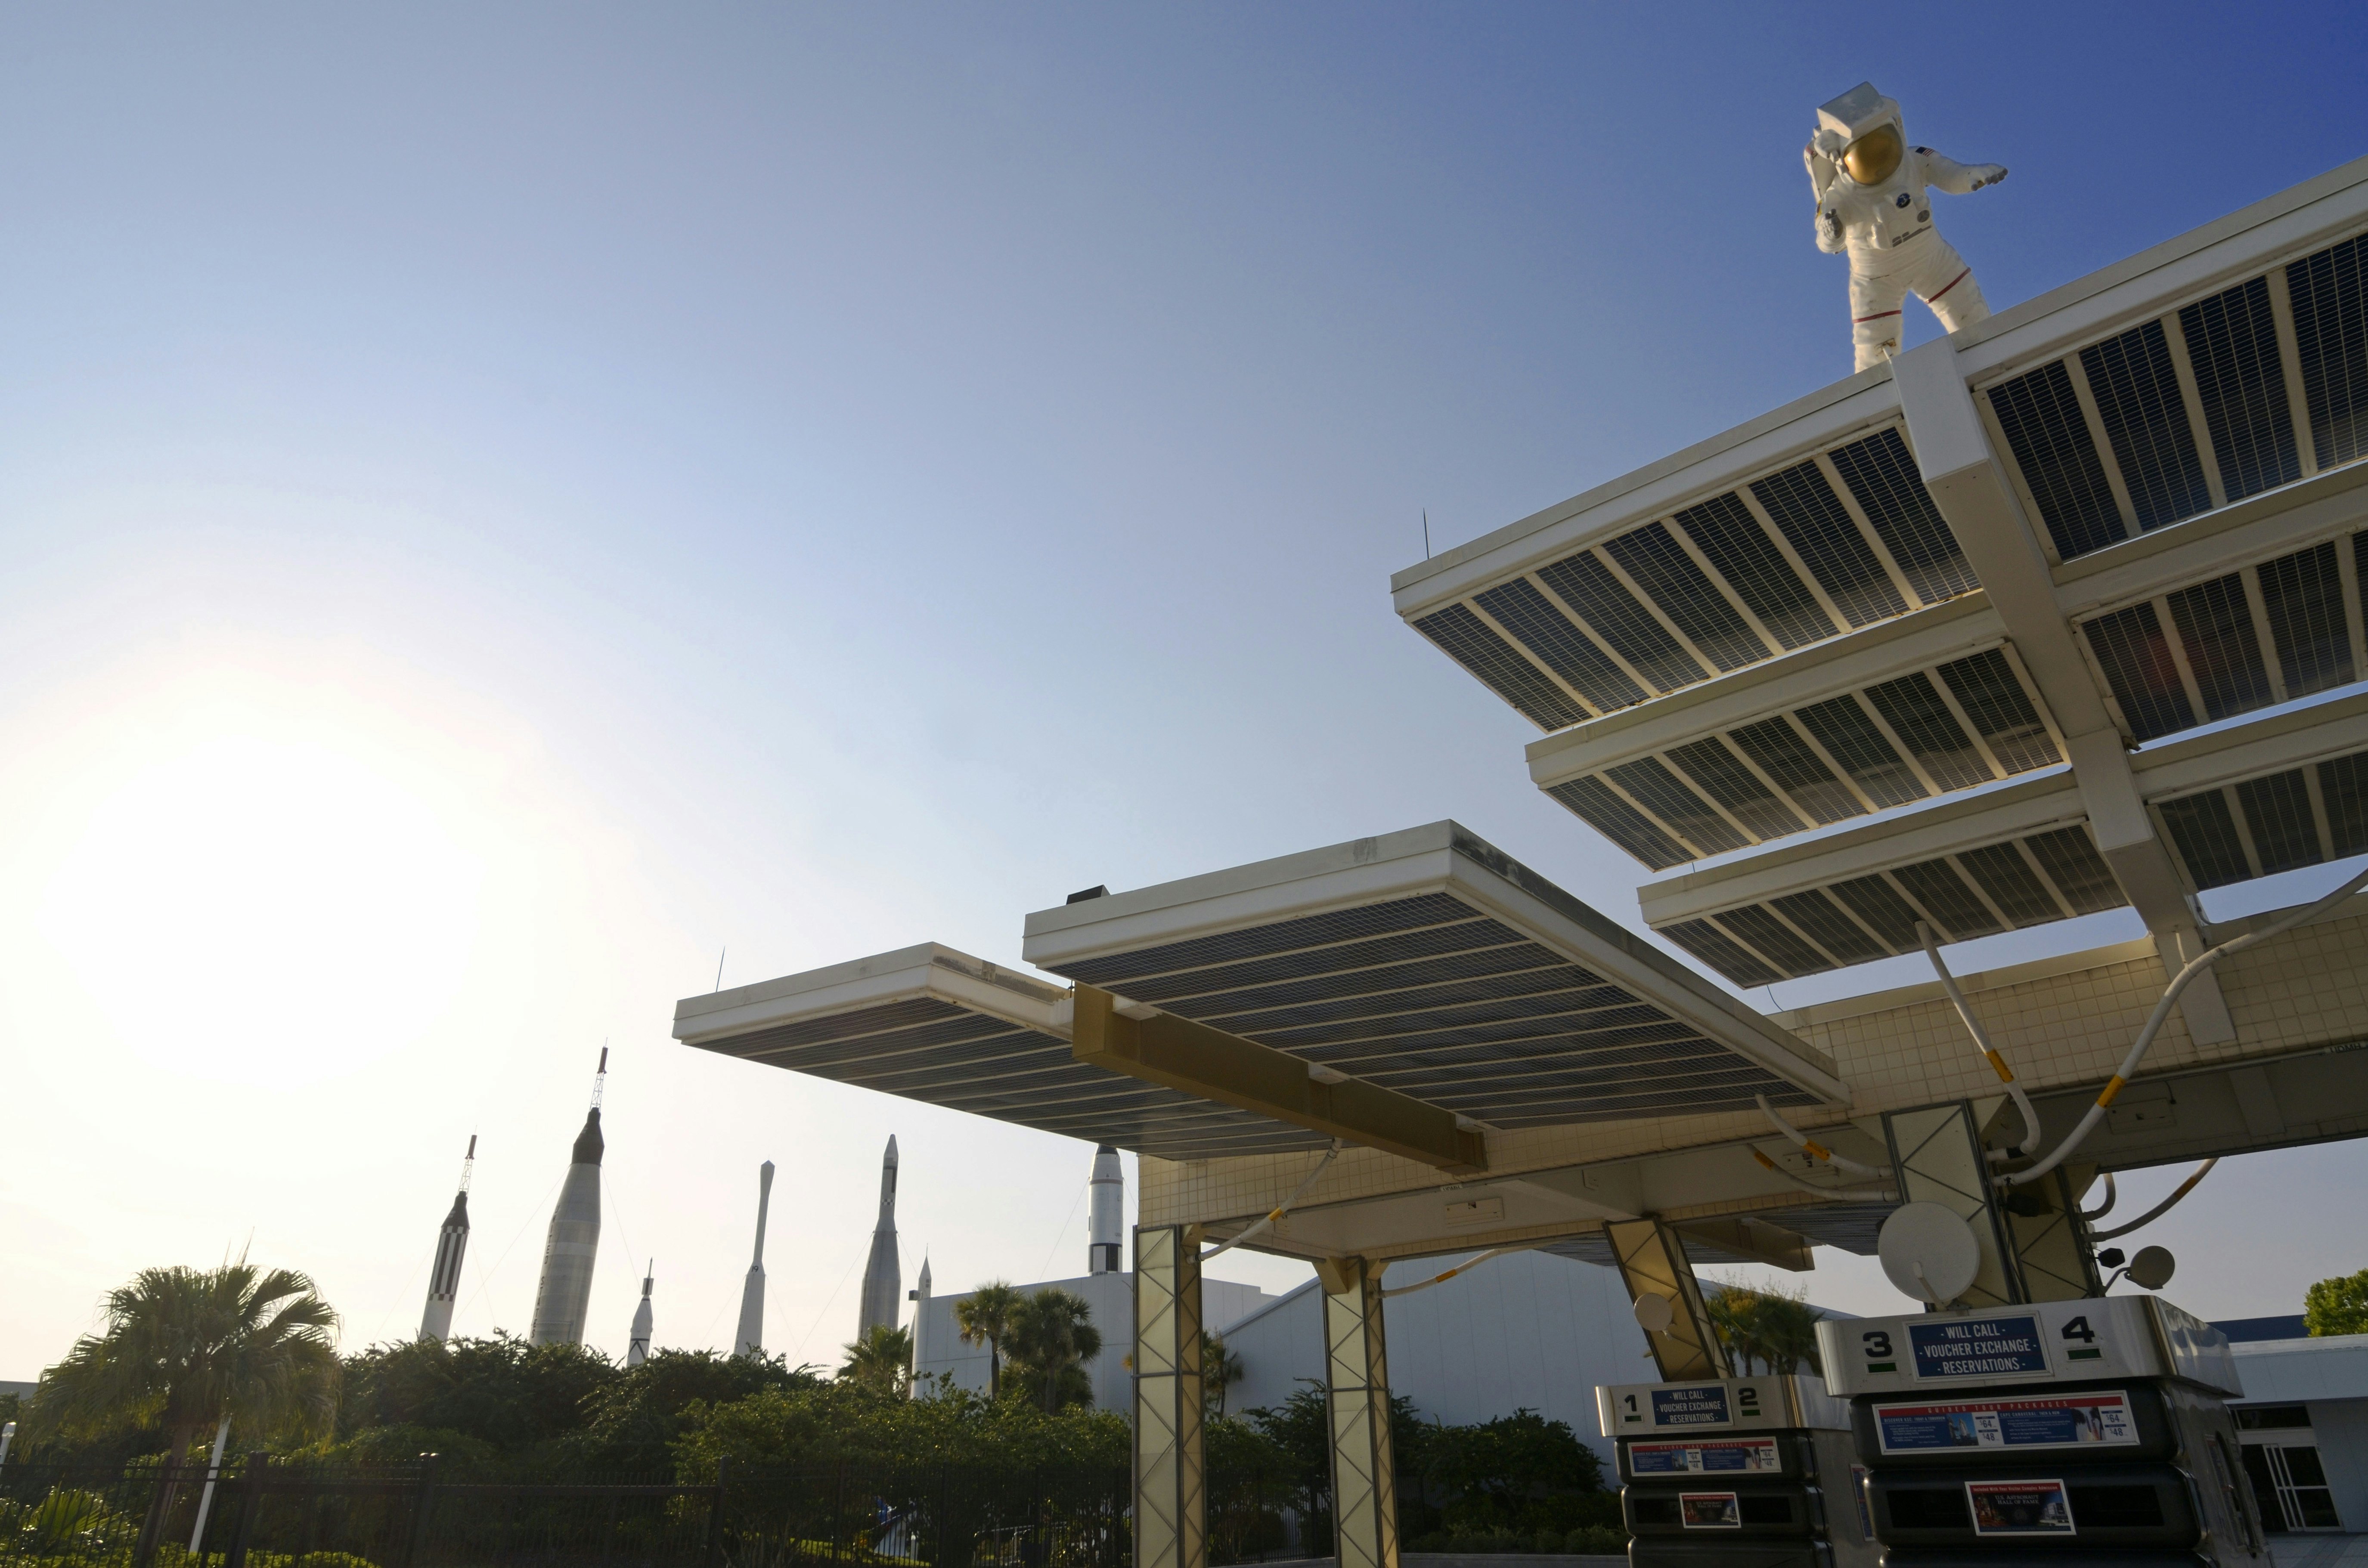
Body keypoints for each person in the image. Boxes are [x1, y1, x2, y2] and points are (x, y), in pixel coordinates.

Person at [1805, 83, 2008, 372]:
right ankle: (1879, 398)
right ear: (1841, 159)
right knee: (1876, 352)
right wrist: (1832, 232)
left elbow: (1951, 174)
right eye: (1866, 153)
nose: (1879, 159)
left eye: (1884, 144)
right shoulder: (1840, 194)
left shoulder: (1915, 160)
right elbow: (1827, 242)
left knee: (1972, 318)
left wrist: (1974, 175)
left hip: (1931, 259)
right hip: (1875, 277)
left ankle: (1994, 370)